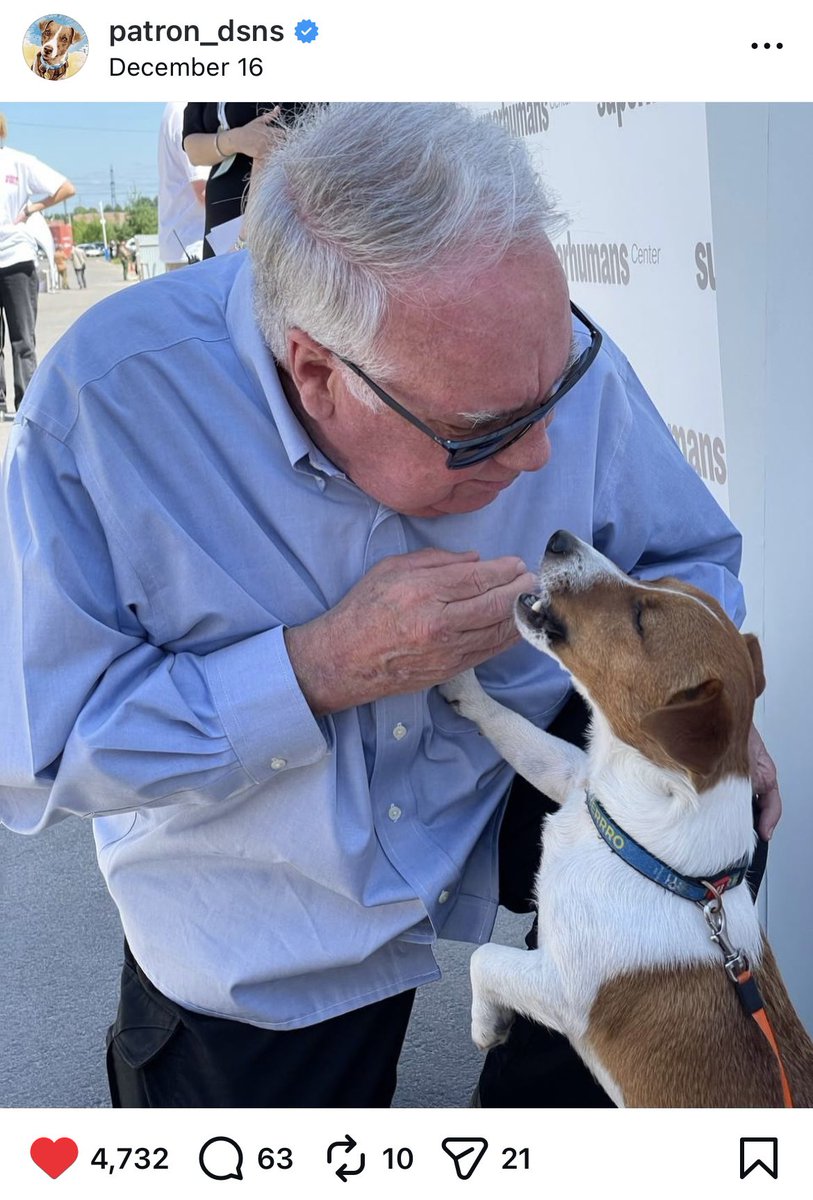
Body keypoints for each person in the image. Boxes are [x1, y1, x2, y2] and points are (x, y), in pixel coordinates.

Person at [0, 103, 781, 1109]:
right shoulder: (107, 412)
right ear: (317, 374)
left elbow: (688, 552)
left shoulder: (535, 355)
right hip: (266, 903)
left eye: (560, 392)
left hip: (513, 761)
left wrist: (711, 724)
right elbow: (40, 751)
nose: (544, 453)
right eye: (483, 433)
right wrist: (313, 668)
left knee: (724, 820)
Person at [0, 112, 75, 411]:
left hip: (17, 258)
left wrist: (33, 207)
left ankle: (26, 402)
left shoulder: (19, 162)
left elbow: (66, 187)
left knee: (22, 340)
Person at [182, 102, 313, 257]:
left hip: (284, 219)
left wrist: (246, 236)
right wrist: (236, 139)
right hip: (223, 230)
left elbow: (269, 141)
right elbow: (192, 149)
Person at [157, 102, 208, 270]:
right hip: (194, 249)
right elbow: (204, 191)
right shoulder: (185, 111)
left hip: (189, 248)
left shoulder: (177, 108)